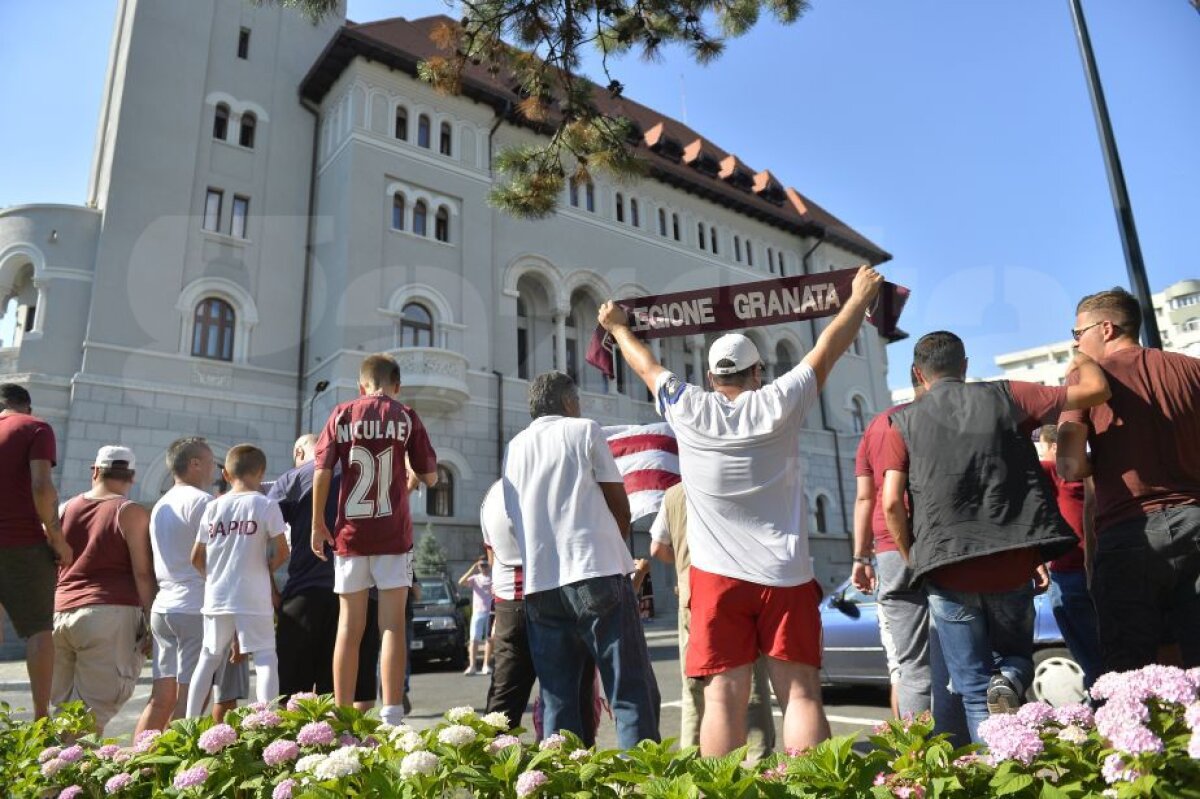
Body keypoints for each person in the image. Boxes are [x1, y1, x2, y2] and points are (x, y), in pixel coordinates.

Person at [598, 264, 883, 756]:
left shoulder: (688, 406)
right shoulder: (781, 400)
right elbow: (829, 346)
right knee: (800, 692)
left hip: (716, 578)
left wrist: (618, 326)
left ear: (710, 377)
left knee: (723, 697)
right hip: (786, 574)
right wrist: (858, 299)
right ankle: (813, 790)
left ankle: (718, 792)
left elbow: (644, 365)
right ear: (758, 373)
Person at [880, 330, 1109, 743]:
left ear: (918, 373)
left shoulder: (901, 422)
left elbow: (891, 502)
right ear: (964, 365)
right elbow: (1094, 392)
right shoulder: (1008, 395)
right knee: (1017, 656)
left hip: (947, 569)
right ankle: (1009, 678)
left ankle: (994, 779)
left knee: (971, 691)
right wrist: (1082, 355)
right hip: (1011, 562)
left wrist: (912, 554)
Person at [502, 371, 660, 748]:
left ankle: (564, 782)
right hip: (595, 571)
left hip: (541, 584)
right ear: (569, 402)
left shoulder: (515, 447)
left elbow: (513, 516)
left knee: (559, 699)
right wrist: (610, 542)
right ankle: (639, 784)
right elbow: (619, 504)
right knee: (630, 690)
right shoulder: (584, 430)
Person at [1058, 287, 1200, 671]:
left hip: (1129, 532)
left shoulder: (1085, 380)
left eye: (1077, 333)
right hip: (1195, 521)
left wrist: (1102, 464)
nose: (1076, 343)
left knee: (1131, 675)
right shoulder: (1190, 368)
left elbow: (1069, 466)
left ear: (1105, 328)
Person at [311, 354, 438, 725]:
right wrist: (413, 475)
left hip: (350, 534)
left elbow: (321, 469)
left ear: (361, 384)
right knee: (392, 625)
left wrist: (318, 523)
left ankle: (342, 712)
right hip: (393, 535)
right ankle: (393, 713)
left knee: (349, 627)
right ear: (396, 385)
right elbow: (430, 475)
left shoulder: (341, 413)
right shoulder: (406, 416)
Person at [649, 482, 775, 760]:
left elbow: (657, 547)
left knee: (694, 688)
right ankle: (758, 762)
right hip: (732, 591)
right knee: (750, 685)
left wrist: (684, 566)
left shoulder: (673, 494)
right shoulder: (728, 484)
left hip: (689, 595)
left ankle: (693, 764)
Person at [269, 434, 381, 709]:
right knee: (345, 697)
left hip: (307, 594)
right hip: (360, 594)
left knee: (292, 699)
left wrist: (270, 590)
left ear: (299, 451)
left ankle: (293, 749)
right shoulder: (364, 473)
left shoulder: (294, 478)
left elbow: (261, 530)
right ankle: (341, 748)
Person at [52, 445, 154, 734]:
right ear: (131, 477)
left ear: (95, 471)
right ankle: (69, 776)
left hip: (61, 612)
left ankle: (51, 774)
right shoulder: (129, 511)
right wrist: (151, 620)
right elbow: (143, 572)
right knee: (90, 716)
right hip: (108, 613)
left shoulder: (64, 509)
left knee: (63, 713)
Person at [185, 444, 289, 716]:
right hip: (253, 592)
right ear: (261, 471)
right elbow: (282, 551)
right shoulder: (266, 505)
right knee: (265, 656)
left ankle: (190, 722)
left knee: (208, 658)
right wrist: (264, 569)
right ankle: (267, 721)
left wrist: (214, 578)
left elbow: (196, 557)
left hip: (217, 594)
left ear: (226, 473)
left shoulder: (213, 507)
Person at [852, 376, 930, 719]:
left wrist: (861, 556)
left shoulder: (878, 425)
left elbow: (866, 497)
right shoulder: (942, 418)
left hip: (889, 548)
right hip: (941, 542)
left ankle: (914, 755)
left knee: (906, 666)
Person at [0, 384, 72, 720]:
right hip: (20, 543)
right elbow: (42, 485)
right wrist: (57, 539)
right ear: (26, 406)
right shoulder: (35, 428)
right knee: (39, 631)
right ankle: (41, 719)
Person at [135, 438, 215, 735]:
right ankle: (173, 769)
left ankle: (136, 764)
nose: (214, 470)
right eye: (210, 463)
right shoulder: (203, 502)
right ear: (194, 464)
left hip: (164, 606)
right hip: (194, 605)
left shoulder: (161, 504)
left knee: (161, 698)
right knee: (192, 698)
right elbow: (211, 558)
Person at [1036, 425, 1101, 689]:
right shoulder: (1095, 472)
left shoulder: (1055, 471)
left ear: (1054, 447)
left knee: (1091, 660)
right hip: (1103, 565)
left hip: (1068, 570)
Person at [479, 480, 536, 730]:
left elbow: (492, 558)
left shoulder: (492, 494)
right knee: (565, 695)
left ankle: (491, 762)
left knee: (503, 700)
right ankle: (570, 762)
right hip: (548, 595)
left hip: (508, 604)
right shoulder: (540, 484)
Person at [458, 557, 494, 675]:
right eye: (481, 565)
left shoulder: (494, 578)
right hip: (478, 612)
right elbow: (461, 582)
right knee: (474, 639)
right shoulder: (475, 578)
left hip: (491, 612)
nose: (484, 567)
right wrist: (472, 568)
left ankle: (486, 665)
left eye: (485, 565)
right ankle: (472, 666)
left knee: (489, 639)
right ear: (478, 566)